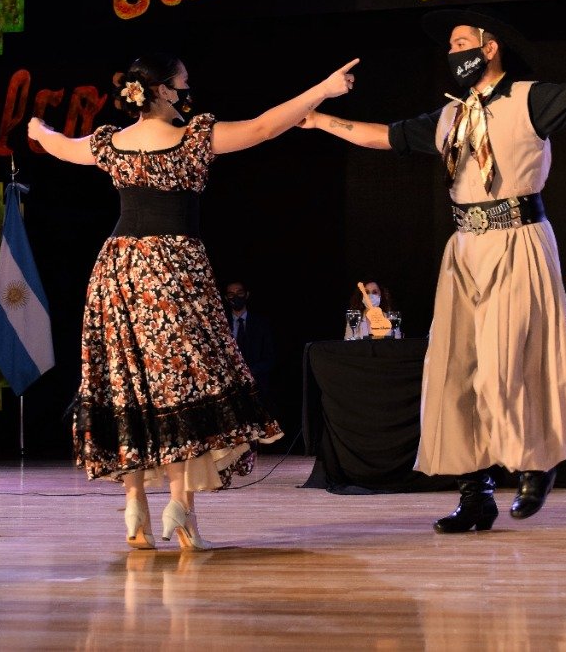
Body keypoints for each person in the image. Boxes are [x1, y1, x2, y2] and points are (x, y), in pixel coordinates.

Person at [298, 5, 566, 532]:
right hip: (464, 250)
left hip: (517, 238)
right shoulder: (450, 117)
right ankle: (475, 494)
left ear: (490, 46)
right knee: (457, 368)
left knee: (510, 361)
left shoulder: (528, 98)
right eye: (451, 46)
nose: (453, 52)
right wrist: (320, 119)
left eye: (461, 42)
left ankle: (535, 462)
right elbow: (382, 136)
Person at [28, 52, 358, 550]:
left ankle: (135, 507)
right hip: (173, 267)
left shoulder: (110, 143)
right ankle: (180, 507)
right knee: (180, 381)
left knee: (129, 382)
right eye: (182, 81)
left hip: (119, 267)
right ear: (162, 90)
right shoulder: (193, 138)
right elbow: (265, 127)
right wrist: (323, 89)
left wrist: (39, 128)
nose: (188, 88)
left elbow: (60, 147)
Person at [222, 280, 278, 417]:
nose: (235, 297)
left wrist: (249, 372)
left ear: (247, 294)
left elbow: (271, 357)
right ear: (226, 298)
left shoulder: (262, 323)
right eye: (231, 294)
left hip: (259, 388)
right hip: (231, 389)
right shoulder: (221, 325)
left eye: (239, 293)